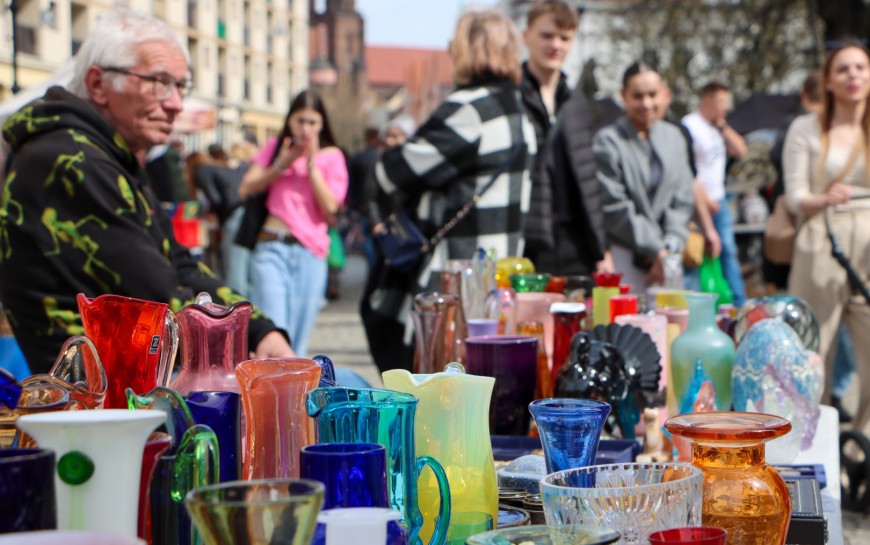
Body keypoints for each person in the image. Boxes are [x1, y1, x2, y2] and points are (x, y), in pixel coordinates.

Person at [0, 11, 292, 373]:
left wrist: (261, 330)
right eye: (158, 82)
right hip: (101, 408)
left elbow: (179, 262)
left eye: (180, 86)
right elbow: (160, 296)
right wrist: (250, 336)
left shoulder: (106, 154)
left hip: (132, 391)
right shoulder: (72, 161)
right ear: (98, 84)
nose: (175, 103)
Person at [361, 8, 535, 372]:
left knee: (431, 383)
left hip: (453, 279)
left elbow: (392, 172)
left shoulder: (470, 108)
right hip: (498, 277)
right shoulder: (520, 111)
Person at [783, 42, 870, 435]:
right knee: (813, 357)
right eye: (843, 69)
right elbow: (794, 195)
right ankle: (811, 451)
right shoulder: (807, 127)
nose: (854, 75)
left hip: (867, 247)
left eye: (861, 67)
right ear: (828, 81)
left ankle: (858, 454)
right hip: (823, 242)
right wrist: (824, 198)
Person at [237, 90, 348, 358]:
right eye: (300, 121)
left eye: (312, 122)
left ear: (322, 124)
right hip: (271, 246)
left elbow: (331, 207)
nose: (306, 128)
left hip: (310, 252)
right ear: (289, 121)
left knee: (297, 342)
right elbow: (245, 188)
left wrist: (311, 166)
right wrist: (282, 164)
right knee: (274, 333)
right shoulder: (275, 148)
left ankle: (292, 398)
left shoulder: (333, 156)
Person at [519, 0, 611, 275]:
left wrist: (602, 248)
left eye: (564, 38)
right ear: (527, 36)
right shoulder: (512, 97)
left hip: (578, 246)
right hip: (530, 245)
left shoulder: (577, 102)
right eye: (547, 35)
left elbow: (589, 178)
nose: (555, 45)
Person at [593, 62, 694, 290]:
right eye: (637, 96)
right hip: (626, 258)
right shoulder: (608, 141)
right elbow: (614, 205)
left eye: (652, 94)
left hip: (668, 259)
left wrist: (670, 246)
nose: (646, 103)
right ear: (623, 96)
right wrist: (654, 248)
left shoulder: (674, 138)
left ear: (664, 95)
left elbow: (682, 198)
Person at [682, 82, 748, 307]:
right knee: (696, 255)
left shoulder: (718, 128)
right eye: (721, 101)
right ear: (707, 100)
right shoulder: (690, 125)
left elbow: (741, 151)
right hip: (699, 202)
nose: (726, 107)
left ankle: (738, 305)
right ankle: (700, 305)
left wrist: (723, 127)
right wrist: (704, 200)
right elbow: (688, 169)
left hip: (721, 200)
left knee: (728, 253)